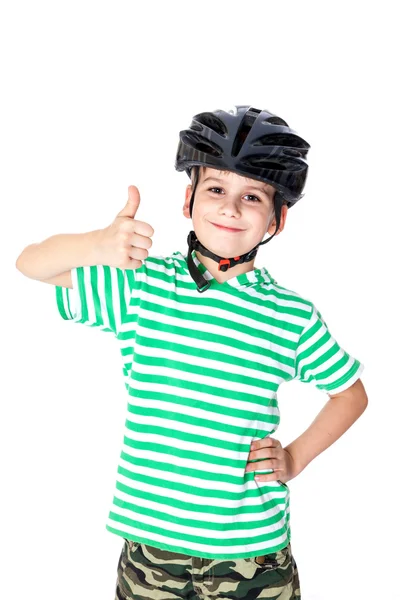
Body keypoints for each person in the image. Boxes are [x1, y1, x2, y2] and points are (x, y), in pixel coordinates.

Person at [15, 105, 368, 599]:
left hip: (252, 550)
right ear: (189, 199)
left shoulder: (291, 316)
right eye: (217, 189)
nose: (230, 208)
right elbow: (30, 265)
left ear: (277, 219)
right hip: (152, 548)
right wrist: (97, 244)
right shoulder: (143, 285)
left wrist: (294, 458)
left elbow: (350, 394)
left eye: (252, 196)